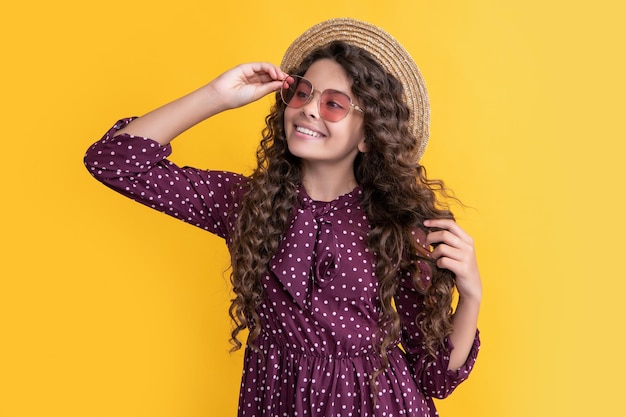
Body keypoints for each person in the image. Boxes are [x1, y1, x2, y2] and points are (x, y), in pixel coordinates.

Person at [85, 18, 482, 417]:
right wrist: (216, 95)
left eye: (333, 103)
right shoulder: (246, 203)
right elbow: (114, 163)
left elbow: (436, 378)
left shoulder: (397, 225)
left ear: (367, 135)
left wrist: (471, 295)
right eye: (301, 93)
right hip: (275, 401)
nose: (309, 109)